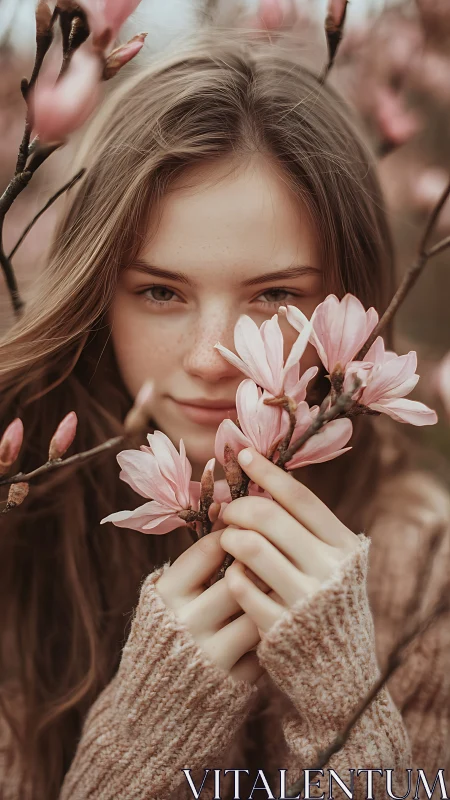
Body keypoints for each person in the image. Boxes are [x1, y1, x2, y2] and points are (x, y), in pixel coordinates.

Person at [0, 30, 449, 800]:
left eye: (276, 294)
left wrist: (346, 690)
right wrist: (147, 731)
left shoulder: (424, 575)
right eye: (160, 292)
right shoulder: (18, 545)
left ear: (355, 303)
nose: (213, 357)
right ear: (95, 292)